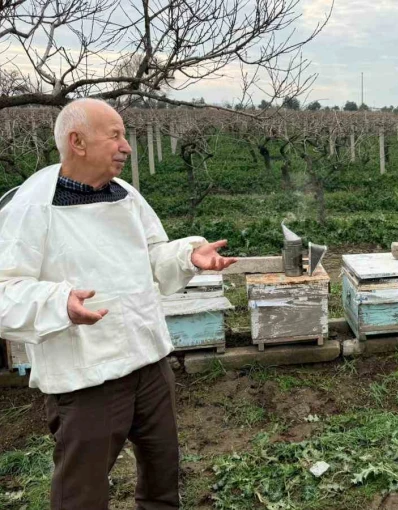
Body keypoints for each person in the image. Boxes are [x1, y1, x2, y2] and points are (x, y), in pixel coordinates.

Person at [0, 98, 237, 510]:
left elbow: (151, 256)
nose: (126, 146)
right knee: (82, 494)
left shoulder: (125, 195)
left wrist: (186, 256)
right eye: (115, 136)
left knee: (163, 473)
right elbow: (5, 289)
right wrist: (59, 301)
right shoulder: (33, 207)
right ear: (77, 142)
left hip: (148, 361)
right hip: (87, 375)